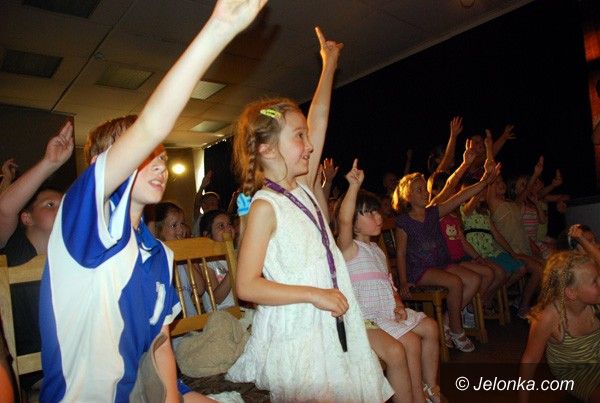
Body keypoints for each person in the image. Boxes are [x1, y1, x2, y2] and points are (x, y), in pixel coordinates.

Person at [39, 1, 267, 401]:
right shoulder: (83, 223)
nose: (159, 162)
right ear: (102, 166)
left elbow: (160, 345)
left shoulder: (160, 253)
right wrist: (220, 26)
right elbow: (150, 127)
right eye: (145, 154)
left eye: (162, 156)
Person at [226, 27, 393, 402]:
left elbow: (318, 120)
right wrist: (315, 294)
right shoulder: (265, 206)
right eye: (298, 136)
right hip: (299, 331)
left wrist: (329, 65)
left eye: (306, 135)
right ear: (267, 148)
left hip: (327, 322)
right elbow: (247, 286)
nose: (310, 144)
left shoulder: (300, 188)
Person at [337, 160, 441, 403]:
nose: (378, 216)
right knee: (406, 345)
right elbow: (343, 222)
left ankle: (424, 392)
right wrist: (353, 188)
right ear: (354, 222)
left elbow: (389, 285)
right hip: (365, 317)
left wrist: (398, 304)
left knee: (421, 334)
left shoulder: (377, 251)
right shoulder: (348, 249)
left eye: (377, 211)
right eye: (369, 212)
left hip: (385, 312)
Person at [392, 153, 499, 352]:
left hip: (441, 264)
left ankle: (448, 321)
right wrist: (404, 281)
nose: (425, 193)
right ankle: (457, 331)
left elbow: (460, 197)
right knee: (455, 282)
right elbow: (400, 253)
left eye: (425, 189)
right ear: (407, 196)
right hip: (420, 270)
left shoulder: (434, 212)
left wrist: (484, 182)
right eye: (419, 190)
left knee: (474, 279)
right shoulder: (404, 222)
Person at [519, 250, 600, 403]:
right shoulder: (549, 318)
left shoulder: (595, 301)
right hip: (576, 372)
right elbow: (530, 359)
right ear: (571, 293)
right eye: (595, 281)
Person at [151, 201, 206, 317]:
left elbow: (200, 289)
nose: (181, 230)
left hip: (190, 318)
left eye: (182, 224)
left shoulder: (188, 254)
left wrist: (184, 257)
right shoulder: (156, 257)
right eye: (174, 225)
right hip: (170, 321)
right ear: (159, 230)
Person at [198, 209, 236, 312]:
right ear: (207, 236)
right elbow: (217, 298)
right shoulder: (206, 261)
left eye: (229, 224)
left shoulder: (235, 254)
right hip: (220, 313)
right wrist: (234, 265)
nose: (228, 228)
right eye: (221, 226)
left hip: (240, 310)